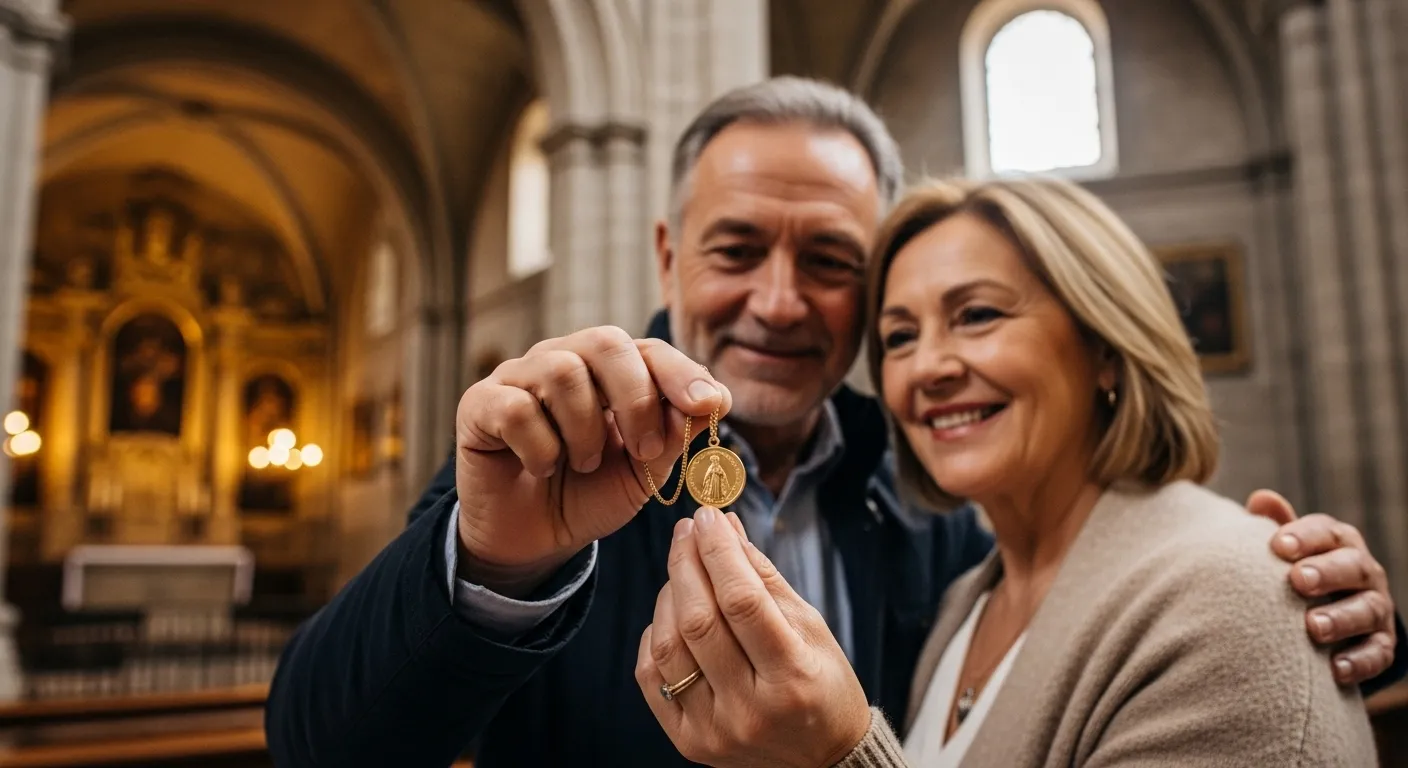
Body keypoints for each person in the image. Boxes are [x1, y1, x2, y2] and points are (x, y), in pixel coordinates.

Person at [264, 77, 1404, 768]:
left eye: (828, 262)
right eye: (734, 249)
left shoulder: (937, 506)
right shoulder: (547, 468)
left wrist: (1287, 587)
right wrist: (498, 566)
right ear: (668, 254)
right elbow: (320, 748)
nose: (776, 300)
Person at [635, 177, 1381, 767]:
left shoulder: (1228, 591)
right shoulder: (965, 599)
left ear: (1105, 346)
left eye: (978, 315)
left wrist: (836, 758)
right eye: (899, 336)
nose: (927, 367)